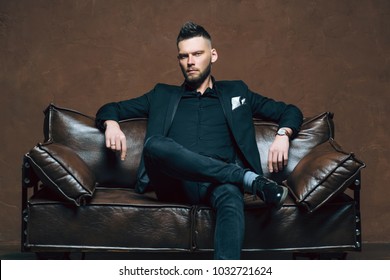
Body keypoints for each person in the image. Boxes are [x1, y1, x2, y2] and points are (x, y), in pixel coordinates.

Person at [95, 22, 303, 259]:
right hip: (173, 181)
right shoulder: (162, 95)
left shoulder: (237, 91)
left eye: (197, 54)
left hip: (217, 182)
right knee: (154, 144)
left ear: (213, 55)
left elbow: (290, 111)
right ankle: (249, 180)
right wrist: (111, 123)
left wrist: (283, 134)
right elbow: (109, 108)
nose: (190, 62)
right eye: (184, 56)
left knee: (231, 195)